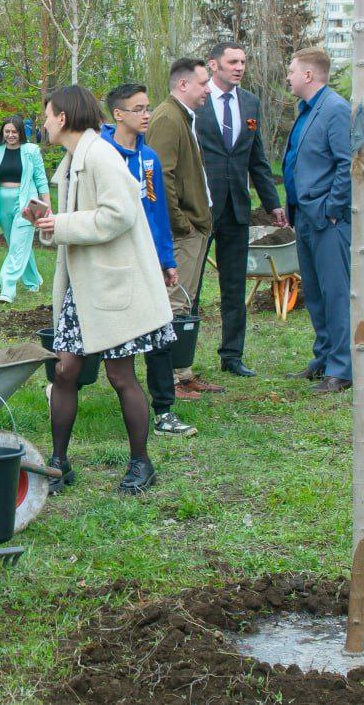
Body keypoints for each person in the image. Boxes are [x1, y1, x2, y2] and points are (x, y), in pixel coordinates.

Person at [34, 85, 176, 495]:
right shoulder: (75, 157)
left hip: (115, 285)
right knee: (64, 371)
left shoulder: (101, 155)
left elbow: (118, 215)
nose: (43, 122)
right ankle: (59, 464)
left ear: (63, 117)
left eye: (47, 115)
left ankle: (141, 464)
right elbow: (80, 220)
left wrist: (60, 225)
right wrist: (51, 223)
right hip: (85, 287)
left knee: (120, 376)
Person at [101, 84, 195, 438]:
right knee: (103, 336)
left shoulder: (149, 158)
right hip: (112, 264)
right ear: (118, 114)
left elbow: (157, 214)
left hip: (147, 261)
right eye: (138, 109)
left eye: (148, 107)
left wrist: (166, 260)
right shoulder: (102, 154)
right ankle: (64, 389)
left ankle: (164, 411)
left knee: (159, 334)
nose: (146, 115)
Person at [194, 42, 287, 378]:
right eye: (232, 61)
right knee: (191, 284)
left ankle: (232, 356)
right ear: (213, 65)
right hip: (200, 208)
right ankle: (183, 358)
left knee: (234, 285)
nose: (239, 67)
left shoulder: (250, 102)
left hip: (237, 208)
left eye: (244, 62)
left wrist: (273, 203)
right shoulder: (197, 103)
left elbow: (256, 158)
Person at [146, 58, 224, 400]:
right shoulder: (167, 118)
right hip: (183, 230)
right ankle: (173, 380)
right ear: (183, 85)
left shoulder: (180, 116)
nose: (208, 89)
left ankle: (183, 372)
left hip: (193, 226)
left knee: (186, 301)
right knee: (175, 302)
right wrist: (182, 224)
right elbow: (160, 176)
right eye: (203, 83)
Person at [282, 47, 353, 394]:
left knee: (335, 293)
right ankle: (323, 359)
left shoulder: (335, 109)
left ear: (309, 75)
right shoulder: (307, 110)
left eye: (292, 70)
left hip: (328, 220)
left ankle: (341, 369)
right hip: (306, 217)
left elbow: (346, 164)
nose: (288, 76)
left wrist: (331, 209)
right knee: (316, 294)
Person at [0, 115, 48, 303]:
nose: (10, 135)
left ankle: (7, 288)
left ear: (20, 133)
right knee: (19, 245)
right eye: (7, 131)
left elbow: (41, 180)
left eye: (14, 132)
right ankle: (33, 280)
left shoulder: (31, 150)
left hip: (29, 203)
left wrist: (47, 205)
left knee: (18, 245)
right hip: (4, 204)